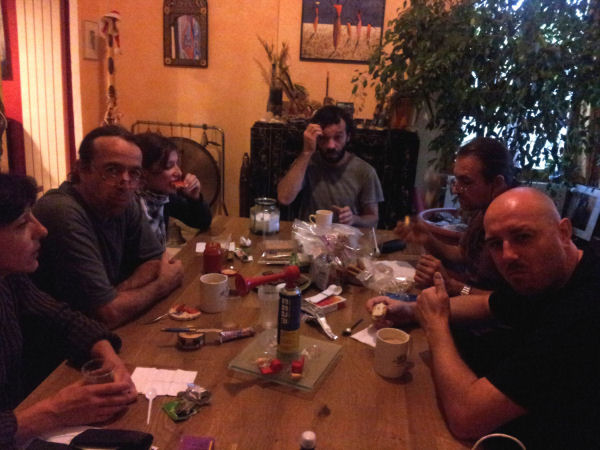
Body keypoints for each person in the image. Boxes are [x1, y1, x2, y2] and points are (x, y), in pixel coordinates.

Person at [367, 188, 600, 449]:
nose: (508, 255)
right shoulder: (550, 274)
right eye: (496, 244)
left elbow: (467, 418)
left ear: (564, 232)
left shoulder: (585, 312)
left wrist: (435, 325)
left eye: (523, 236)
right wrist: (412, 310)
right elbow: (486, 304)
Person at [0, 173, 137, 448]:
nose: (41, 230)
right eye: (22, 224)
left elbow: (63, 319)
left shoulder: (8, 278)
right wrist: (53, 412)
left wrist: (107, 355)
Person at [32, 126, 183, 329]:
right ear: (82, 169)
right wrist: (162, 285)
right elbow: (108, 314)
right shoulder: (61, 211)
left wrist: (116, 295)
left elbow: (155, 260)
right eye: (112, 170)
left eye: (134, 173)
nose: (125, 182)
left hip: (100, 331)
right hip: (57, 340)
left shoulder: (123, 201)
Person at [396, 137, 515, 295]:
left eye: (466, 182)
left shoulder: (514, 226)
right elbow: (463, 254)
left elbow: (513, 303)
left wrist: (453, 286)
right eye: (456, 180)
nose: (455, 190)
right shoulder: (484, 210)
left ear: (497, 184)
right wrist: (428, 239)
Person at [277, 105, 383, 227]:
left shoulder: (365, 171)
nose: (331, 145)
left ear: (348, 137)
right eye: (323, 138)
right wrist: (307, 152)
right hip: (311, 235)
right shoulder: (307, 162)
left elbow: (373, 218)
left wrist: (354, 219)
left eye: (338, 137)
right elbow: (284, 198)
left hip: (345, 237)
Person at [134, 132, 212, 247]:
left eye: (177, 164)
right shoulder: (132, 205)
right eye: (169, 166)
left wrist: (194, 198)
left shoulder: (164, 197)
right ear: (145, 172)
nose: (179, 172)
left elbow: (202, 222)